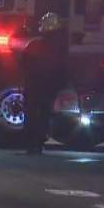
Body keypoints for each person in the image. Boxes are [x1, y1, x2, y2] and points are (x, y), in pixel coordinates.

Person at [21, 12, 69, 155]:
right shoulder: (61, 47)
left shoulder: (34, 45)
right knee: (44, 114)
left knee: (31, 113)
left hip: (33, 86)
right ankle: (39, 141)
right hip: (50, 87)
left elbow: (23, 64)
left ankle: (32, 144)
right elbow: (63, 68)